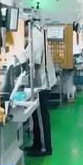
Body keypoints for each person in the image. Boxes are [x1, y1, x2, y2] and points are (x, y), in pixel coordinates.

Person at [22, 20, 57, 157]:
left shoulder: (36, 38)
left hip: (42, 84)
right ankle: (37, 144)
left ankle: (45, 148)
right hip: (39, 83)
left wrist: (22, 68)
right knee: (36, 116)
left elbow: (35, 62)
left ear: (26, 25)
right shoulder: (35, 35)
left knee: (41, 118)